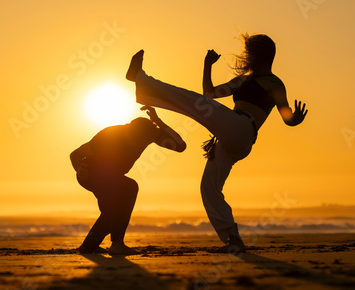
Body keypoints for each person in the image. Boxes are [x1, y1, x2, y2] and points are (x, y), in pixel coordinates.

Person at [126, 33, 308, 253]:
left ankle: (141, 80)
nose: (247, 55)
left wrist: (295, 119)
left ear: (262, 55)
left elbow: (287, 117)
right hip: (232, 137)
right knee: (209, 187)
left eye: (250, 52)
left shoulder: (274, 83)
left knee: (196, 103)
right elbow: (210, 93)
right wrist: (207, 65)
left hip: (242, 128)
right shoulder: (243, 80)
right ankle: (234, 239)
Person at [70, 105, 186, 255]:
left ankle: (89, 247)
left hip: (114, 178)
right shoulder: (109, 134)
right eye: (133, 137)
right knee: (129, 187)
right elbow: (75, 154)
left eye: (140, 140)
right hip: (91, 175)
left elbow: (180, 146)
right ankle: (116, 244)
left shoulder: (151, 134)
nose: (135, 143)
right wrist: (80, 169)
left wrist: (159, 122)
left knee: (111, 213)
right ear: (128, 128)